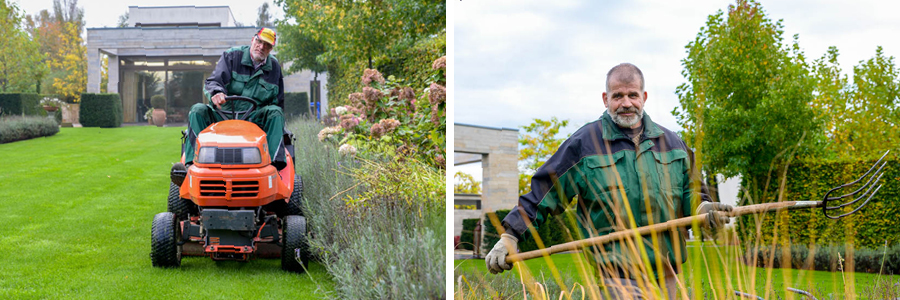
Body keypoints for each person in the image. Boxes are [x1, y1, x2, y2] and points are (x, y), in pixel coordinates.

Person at [484, 63, 733, 299]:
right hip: (616, 278)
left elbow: (693, 191)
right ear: (606, 99)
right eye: (618, 96)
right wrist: (511, 236)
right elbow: (543, 193)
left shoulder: (673, 144)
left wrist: (703, 209)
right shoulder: (584, 145)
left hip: (668, 275)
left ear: (644, 97)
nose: (626, 103)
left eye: (633, 95)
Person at [171, 27, 286, 185]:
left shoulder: (274, 68)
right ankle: (191, 166)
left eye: (267, 45)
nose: (261, 47)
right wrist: (217, 93)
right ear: (253, 40)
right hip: (223, 116)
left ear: (271, 48)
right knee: (198, 110)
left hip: (254, 120)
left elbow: (278, 101)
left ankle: (274, 169)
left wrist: (278, 124)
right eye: (259, 41)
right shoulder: (232, 56)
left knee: (276, 112)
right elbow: (213, 81)